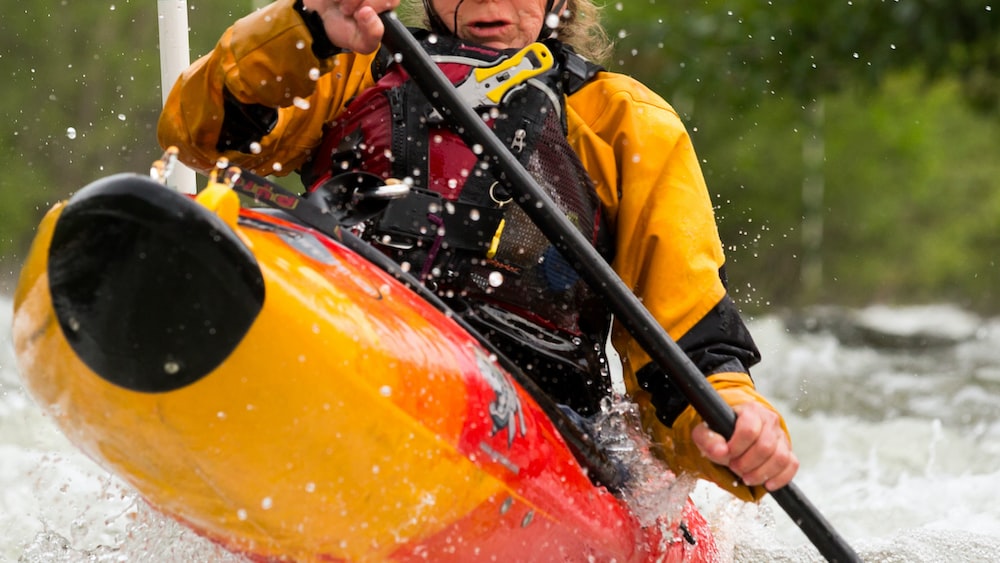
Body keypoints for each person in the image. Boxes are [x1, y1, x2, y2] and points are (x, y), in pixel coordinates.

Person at [158, 0, 798, 502]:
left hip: (536, 421)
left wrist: (732, 420)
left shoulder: (624, 122)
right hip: (351, 337)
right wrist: (305, 28)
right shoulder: (342, 67)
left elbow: (685, 339)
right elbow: (200, 135)